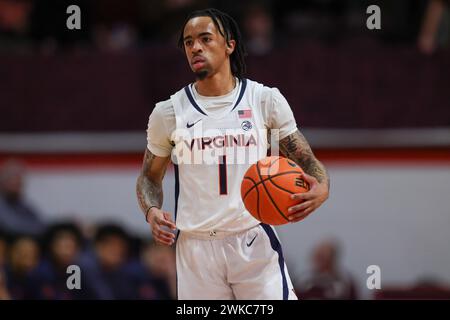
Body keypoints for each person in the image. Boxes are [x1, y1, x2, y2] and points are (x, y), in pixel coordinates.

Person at [136, 8, 329, 300]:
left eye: (205, 38)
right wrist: (151, 211)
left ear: (230, 45)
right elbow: (149, 178)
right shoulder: (168, 112)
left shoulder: (265, 100)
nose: (195, 47)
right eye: (188, 42)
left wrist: (322, 188)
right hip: (195, 248)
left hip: (253, 240)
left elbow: (308, 162)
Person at [0, 159, 45, 238]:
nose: (17, 187)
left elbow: (40, 222)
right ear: (2, 183)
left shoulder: (21, 203)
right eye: (13, 182)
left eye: (19, 183)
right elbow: (13, 226)